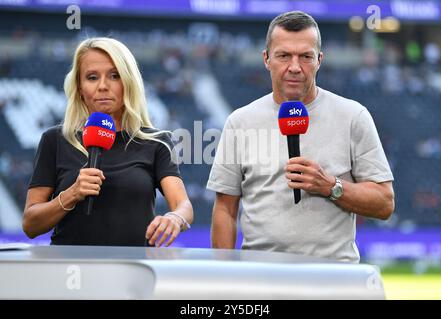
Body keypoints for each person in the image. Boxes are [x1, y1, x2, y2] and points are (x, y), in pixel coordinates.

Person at [207, 11, 395, 263]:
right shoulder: (240, 122)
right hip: (261, 279)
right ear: (266, 59)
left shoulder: (353, 116)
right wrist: (224, 276)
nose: (294, 67)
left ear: (319, 59)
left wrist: (330, 186)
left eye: (305, 56)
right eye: (283, 55)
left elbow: (384, 203)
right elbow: (225, 209)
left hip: (333, 279)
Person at [23, 37, 193, 247]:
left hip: (133, 270)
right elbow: (31, 225)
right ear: (80, 87)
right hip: (71, 271)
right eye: (92, 77)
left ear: (128, 83)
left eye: (114, 76)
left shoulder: (156, 142)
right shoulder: (55, 140)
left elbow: (183, 205)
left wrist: (174, 218)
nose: (103, 86)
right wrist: (72, 194)